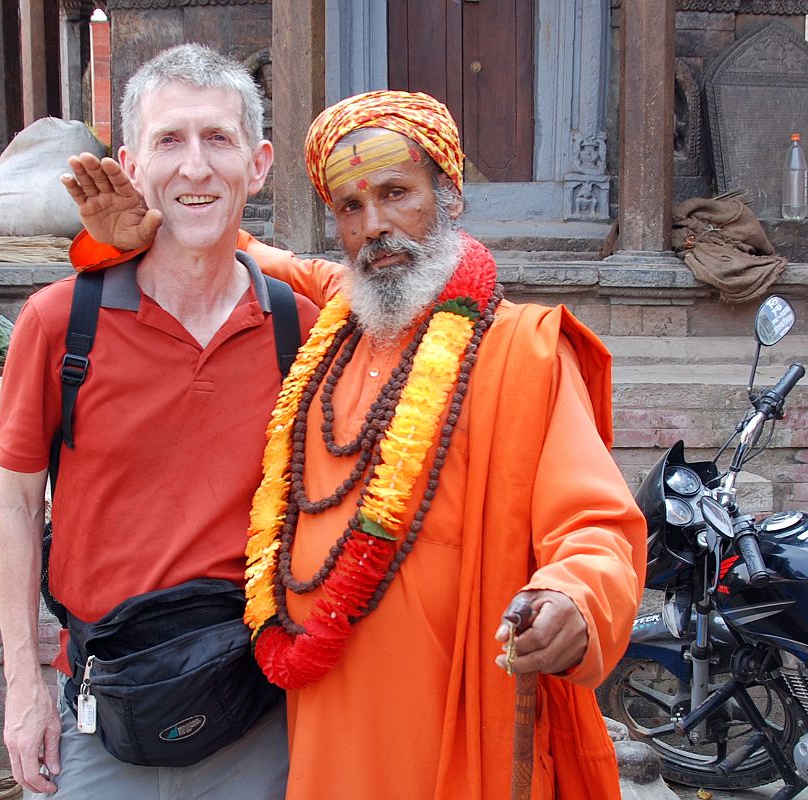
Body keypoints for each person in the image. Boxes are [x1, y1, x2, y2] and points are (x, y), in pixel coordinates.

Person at [68, 90, 647, 799]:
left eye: (397, 194)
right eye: (348, 207)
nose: (374, 226)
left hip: (451, 716)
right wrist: (143, 234)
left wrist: (570, 600)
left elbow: (595, 526)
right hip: (324, 715)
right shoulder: (329, 321)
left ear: (449, 195)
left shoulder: (519, 352)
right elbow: (240, 253)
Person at [0, 44, 327, 799]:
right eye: (169, 140)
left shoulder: (298, 331)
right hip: (106, 696)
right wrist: (21, 686)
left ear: (259, 161)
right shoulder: (59, 323)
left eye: (218, 139)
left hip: (255, 706)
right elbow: (13, 502)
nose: (196, 167)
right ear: (131, 166)